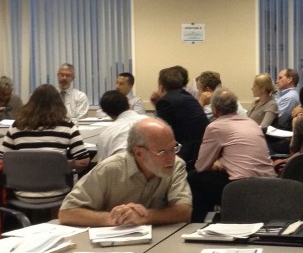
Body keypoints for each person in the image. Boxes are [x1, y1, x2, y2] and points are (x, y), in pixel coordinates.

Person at [58, 118, 192, 227]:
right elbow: (67, 212)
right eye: (162, 152)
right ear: (139, 153)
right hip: (111, 243)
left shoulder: (176, 166)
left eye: (173, 148)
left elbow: (184, 211)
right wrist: (113, 218)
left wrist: (145, 216)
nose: (171, 157)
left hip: (158, 240)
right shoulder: (109, 169)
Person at [188, 88, 276, 222]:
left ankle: (197, 223)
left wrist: (216, 163)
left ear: (215, 108)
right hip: (270, 185)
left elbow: (201, 166)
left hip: (241, 189)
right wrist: (222, 161)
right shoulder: (250, 122)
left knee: (194, 176)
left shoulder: (215, 127)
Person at [0, 84, 90, 202]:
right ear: (59, 104)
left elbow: (1, 160)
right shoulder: (67, 126)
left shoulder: (17, 126)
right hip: (58, 191)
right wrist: (60, 163)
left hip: (22, 192)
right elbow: (83, 161)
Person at [153, 65, 208, 171]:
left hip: (183, 156)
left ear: (161, 86)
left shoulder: (165, 101)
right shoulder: (189, 97)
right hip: (199, 153)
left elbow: (159, 132)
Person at [94, 89, 147, 162]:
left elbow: (102, 167)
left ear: (108, 113)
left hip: (121, 171)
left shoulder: (105, 135)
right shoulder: (152, 123)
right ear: (129, 104)